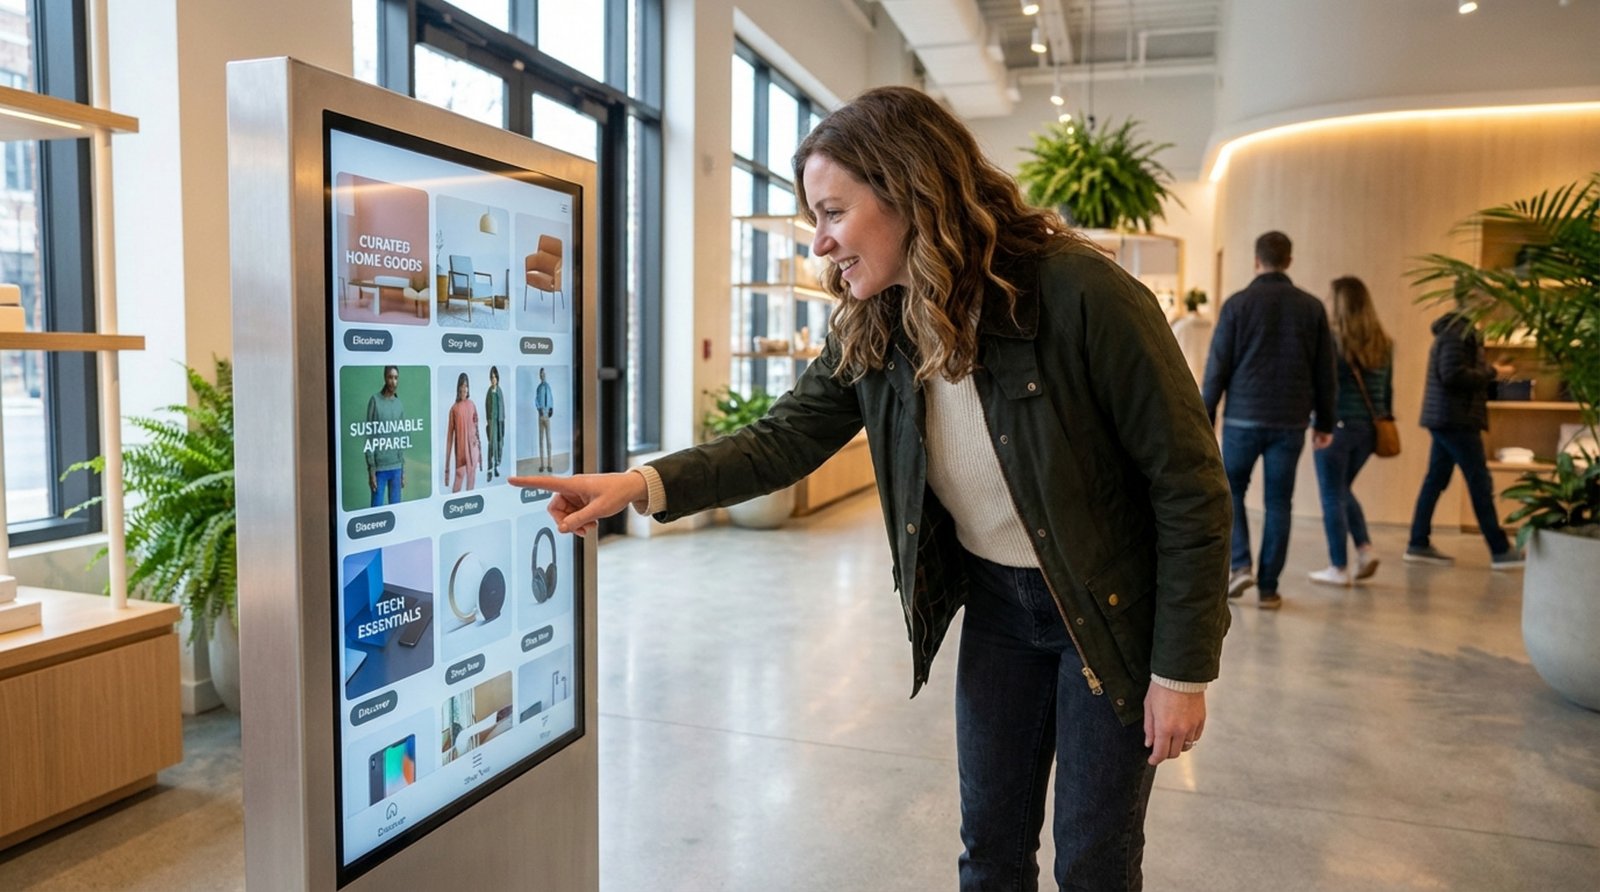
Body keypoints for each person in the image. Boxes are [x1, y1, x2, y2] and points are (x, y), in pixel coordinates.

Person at [511, 86, 1231, 891]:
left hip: (1107, 612)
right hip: (999, 611)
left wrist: (1182, 671)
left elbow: (1190, 487)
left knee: (1094, 863)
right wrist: (642, 482)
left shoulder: (1079, 294)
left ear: (907, 188)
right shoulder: (877, 325)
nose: (818, 241)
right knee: (989, 852)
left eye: (831, 212)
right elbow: (782, 438)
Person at [1202, 231, 1337, 609]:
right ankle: (1269, 589)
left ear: (1256, 261)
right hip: (1290, 423)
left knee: (1232, 491)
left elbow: (1217, 368)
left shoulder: (1237, 305)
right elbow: (1325, 372)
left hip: (1243, 419)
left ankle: (1240, 564)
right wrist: (1324, 423)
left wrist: (1204, 418)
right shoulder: (1311, 308)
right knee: (1280, 502)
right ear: (1289, 261)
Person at [1405, 289, 1524, 569]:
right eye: (1485, 297)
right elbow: (1452, 375)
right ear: (1470, 298)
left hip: (1450, 418)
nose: (1491, 303)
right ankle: (1499, 550)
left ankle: (1418, 543)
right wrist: (1494, 372)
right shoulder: (1456, 333)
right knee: (1479, 482)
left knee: (1436, 479)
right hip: (1455, 420)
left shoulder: (1460, 331)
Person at [1309, 277, 1392, 586]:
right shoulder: (1384, 342)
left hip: (1337, 427)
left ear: (1339, 302)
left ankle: (1338, 567)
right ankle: (1365, 549)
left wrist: (1319, 422)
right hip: (1369, 431)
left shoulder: (1333, 341)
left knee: (1332, 494)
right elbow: (1387, 390)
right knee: (1342, 489)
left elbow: (1324, 386)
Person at [365, 365, 406, 506]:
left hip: (396, 468)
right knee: (376, 513)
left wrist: (402, 470)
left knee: (396, 511)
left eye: (396, 378)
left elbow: (400, 437)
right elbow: (369, 437)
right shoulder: (375, 401)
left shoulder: (399, 404)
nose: (393, 381)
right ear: (385, 378)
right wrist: (371, 470)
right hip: (380, 469)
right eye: (390, 377)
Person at [443, 371, 482, 493]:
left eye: (466, 386)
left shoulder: (472, 405)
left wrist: (480, 454)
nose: (464, 389)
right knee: (458, 481)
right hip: (461, 453)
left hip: (473, 450)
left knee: (471, 481)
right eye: (461, 386)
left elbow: (477, 429)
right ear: (458, 388)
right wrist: (447, 467)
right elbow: (449, 438)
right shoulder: (454, 409)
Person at [485, 366, 505, 480]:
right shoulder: (489, 392)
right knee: (491, 444)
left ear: (497, 378)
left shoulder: (499, 391)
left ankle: (497, 466)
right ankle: (489, 468)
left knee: (498, 444)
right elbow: (487, 406)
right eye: (492, 377)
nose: (493, 379)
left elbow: (502, 407)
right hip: (492, 422)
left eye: (495, 377)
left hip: (499, 422)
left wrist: (501, 422)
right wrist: (489, 420)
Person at [534, 368, 554, 473]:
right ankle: (542, 465)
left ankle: (549, 464)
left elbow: (551, 398)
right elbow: (536, 400)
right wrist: (538, 409)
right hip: (540, 416)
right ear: (539, 376)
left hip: (547, 416)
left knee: (549, 441)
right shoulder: (539, 388)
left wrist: (551, 408)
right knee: (541, 440)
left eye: (544, 374)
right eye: (541, 374)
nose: (542, 376)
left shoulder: (548, 387)